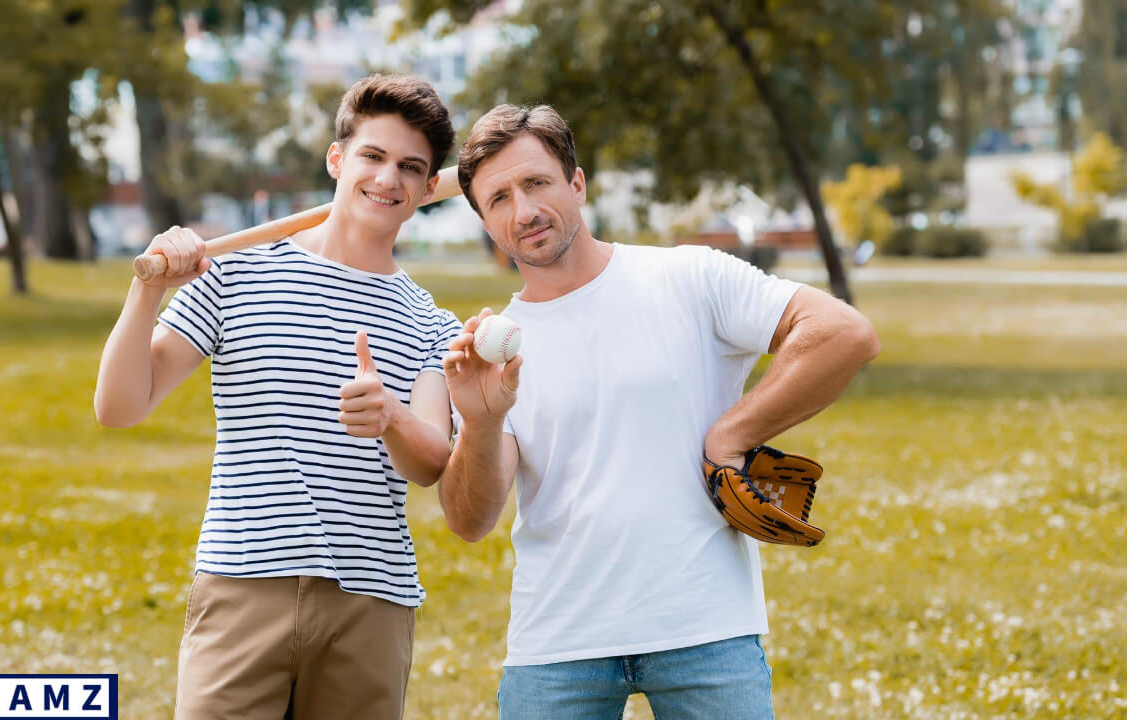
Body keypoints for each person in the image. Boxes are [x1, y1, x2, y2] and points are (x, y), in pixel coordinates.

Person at [438, 104, 881, 720]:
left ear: (576, 183)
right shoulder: (497, 353)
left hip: (706, 630)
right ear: (486, 222)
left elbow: (843, 333)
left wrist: (732, 434)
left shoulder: (687, 277)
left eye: (536, 183)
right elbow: (469, 520)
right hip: (558, 643)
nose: (525, 211)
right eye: (499, 199)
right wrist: (482, 422)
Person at [94, 74, 461, 720]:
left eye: (410, 167)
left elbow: (432, 462)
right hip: (242, 586)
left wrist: (391, 417)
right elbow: (119, 407)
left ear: (430, 188)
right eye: (373, 156)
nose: (388, 178)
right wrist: (147, 290)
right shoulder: (236, 272)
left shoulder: (429, 323)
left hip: (370, 604)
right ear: (337, 158)